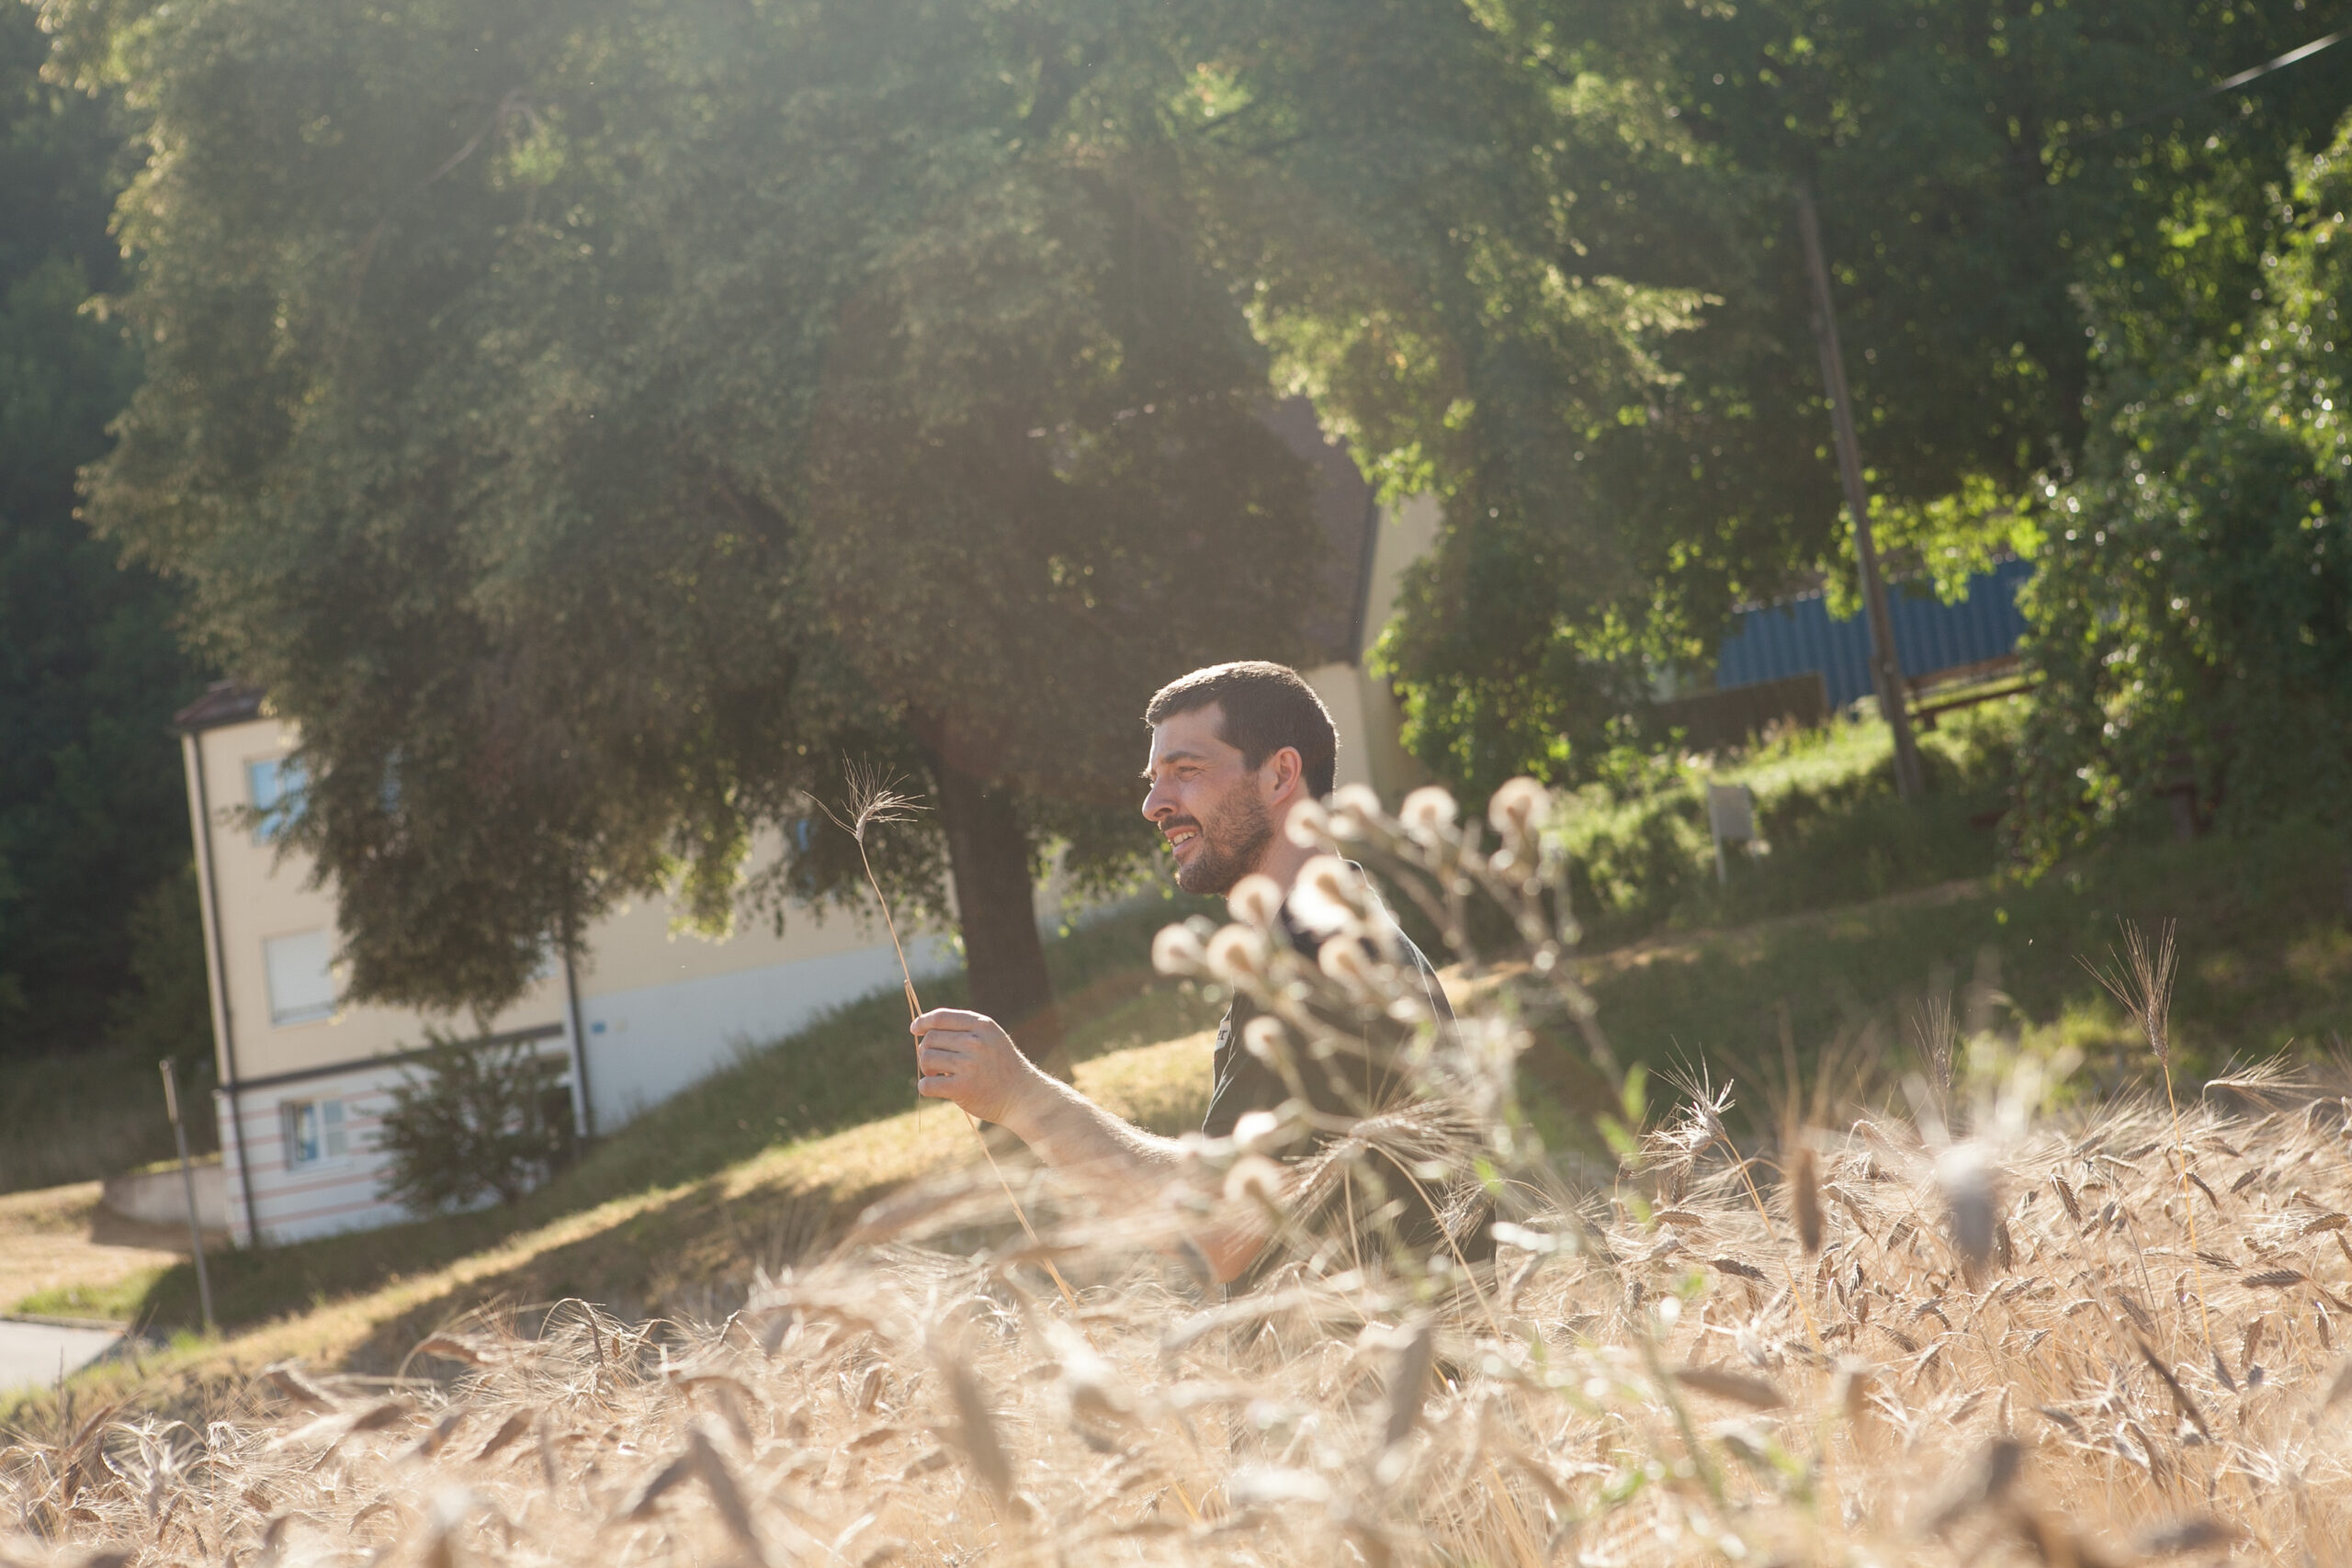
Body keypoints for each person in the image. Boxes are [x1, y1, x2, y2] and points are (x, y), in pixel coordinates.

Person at [909, 660, 1454, 1285]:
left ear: (1280, 773)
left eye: (1186, 771)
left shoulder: (1317, 964)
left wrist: (1020, 1095)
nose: (1152, 804)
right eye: (1153, 778)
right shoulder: (1338, 936)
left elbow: (1223, 1231)